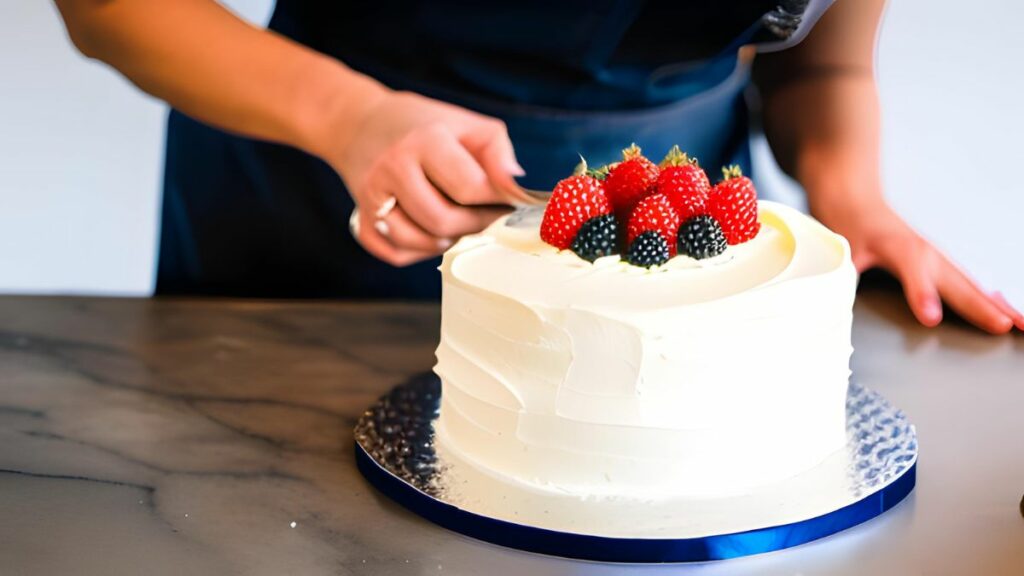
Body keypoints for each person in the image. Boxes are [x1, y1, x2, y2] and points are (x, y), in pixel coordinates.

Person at [55, 0, 1022, 333]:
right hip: (320, 205)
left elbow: (828, 60)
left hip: (688, 239)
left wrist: (855, 197)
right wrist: (352, 117)